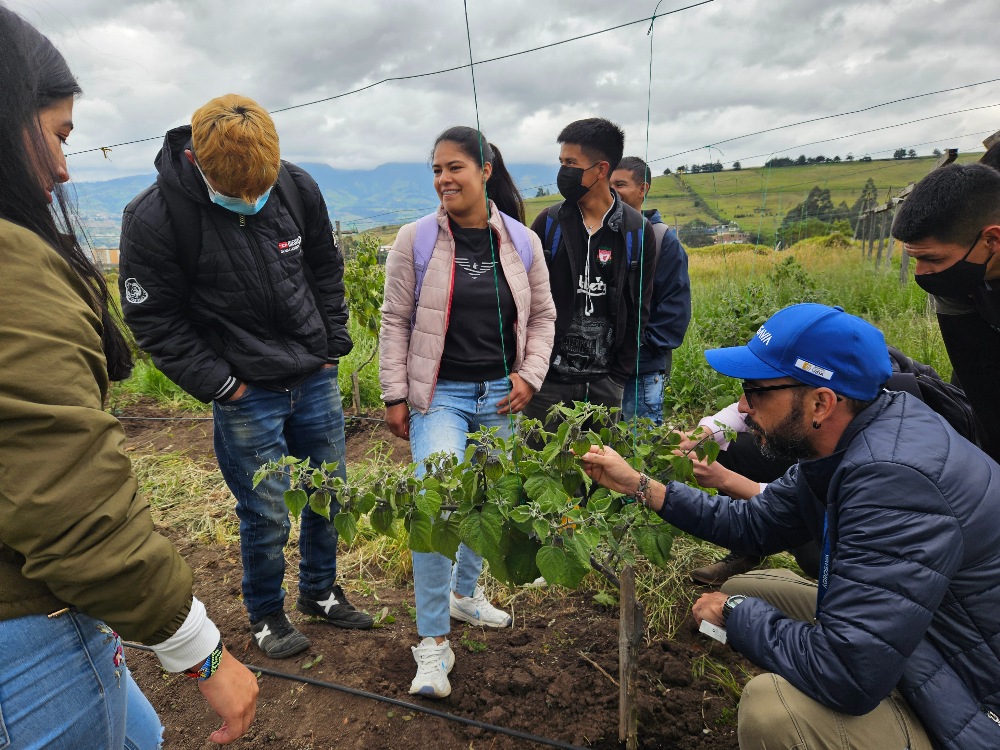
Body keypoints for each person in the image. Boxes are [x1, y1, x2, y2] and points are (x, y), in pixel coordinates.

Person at [0, 6, 257, 747]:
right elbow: (66, 504)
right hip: (26, 629)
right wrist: (199, 649)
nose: (62, 166)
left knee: (141, 735)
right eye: (57, 134)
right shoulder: (15, 266)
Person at [582, 303, 1000, 750]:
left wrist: (736, 614)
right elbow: (755, 523)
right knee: (755, 585)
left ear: (821, 402)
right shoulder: (856, 437)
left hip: (973, 702)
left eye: (756, 390)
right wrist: (642, 486)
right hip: (922, 642)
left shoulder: (893, 480)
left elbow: (847, 675)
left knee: (772, 711)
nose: (742, 407)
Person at [119, 94, 373, 661]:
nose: (254, 199)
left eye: (262, 188)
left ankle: (321, 591)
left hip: (313, 376)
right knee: (264, 510)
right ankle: (265, 613)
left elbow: (326, 270)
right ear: (201, 165)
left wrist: (332, 348)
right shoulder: (154, 218)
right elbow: (154, 320)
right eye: (241, 193)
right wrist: (222, 384)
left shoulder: (295, 186)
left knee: (329, 492)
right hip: (244, 391)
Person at [380, 126, 556, 698]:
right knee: (438, 504)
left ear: (485, 170)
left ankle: (465, 593)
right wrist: (394, 393)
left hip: (501, 397)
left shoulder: (522, 243)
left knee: (488, 498)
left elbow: (545, 317)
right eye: (435, 170)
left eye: (454, 167)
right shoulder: (417, 239)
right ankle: (432, 643)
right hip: (441, 396)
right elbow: (396, 321)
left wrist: (530, 374)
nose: (443, 179)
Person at [524, 119, 656, 426]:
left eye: (571, 162)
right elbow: (526, 297)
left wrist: (618, 378)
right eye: (561, 162)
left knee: (599, 470)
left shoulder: (637, 232)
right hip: (546, 383)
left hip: (604, 386)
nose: (563, 172)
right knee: (537, 469)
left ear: (601, 169)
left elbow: (639, 309)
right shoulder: (549, 223)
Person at [891, 163, 1000, 461]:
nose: (923, 274)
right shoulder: (957, 281)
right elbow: (975, 374)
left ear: (992, 240)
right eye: (915, 259)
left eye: (932, 259)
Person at [610, 156, 691, 425]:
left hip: (642, 369)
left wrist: (642, 346)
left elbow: (675, 307)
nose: (612, 191)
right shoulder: (604, 234)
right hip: (605, 368)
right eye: (608, 183)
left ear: (642, 189)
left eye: (620, 184)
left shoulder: (660, 239)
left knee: (638, 447)